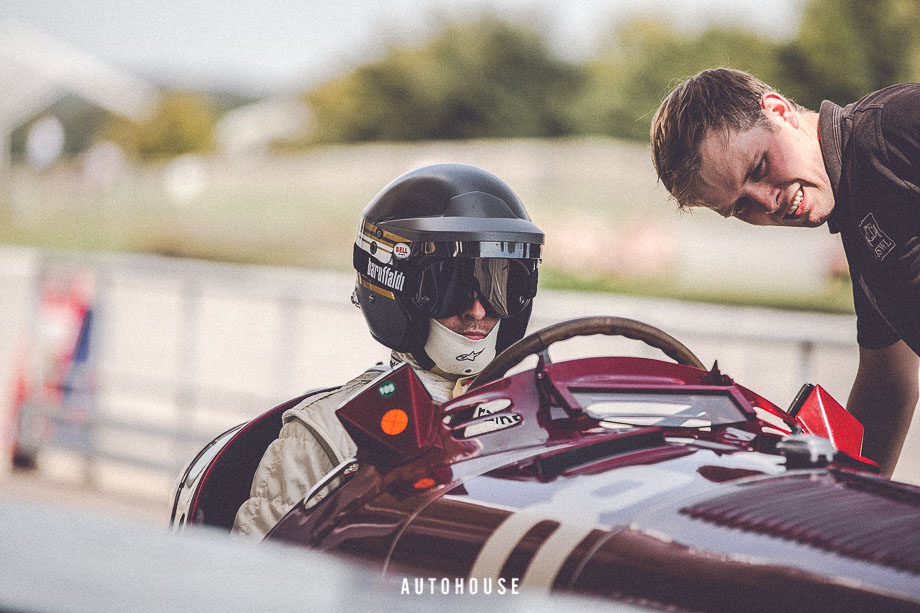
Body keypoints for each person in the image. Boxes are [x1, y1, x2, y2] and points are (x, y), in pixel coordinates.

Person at [233, 163, 544, 537]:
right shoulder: (326, 435)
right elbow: (263, 580)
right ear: (394, 287)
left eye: (503, 289)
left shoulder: (541, 416)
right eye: (452, 288)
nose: (477, 310)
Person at [650, 67, 920, 476]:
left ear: (778, 111)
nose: (767, 201)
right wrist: (839, 509)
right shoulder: (857, 211)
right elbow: (887, 383)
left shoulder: (894, 128)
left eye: (758, 167)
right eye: (740, 207)